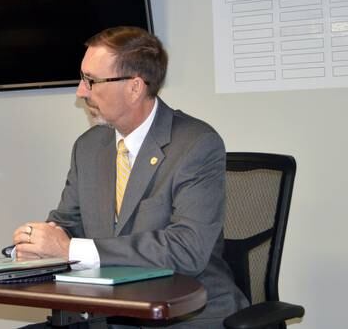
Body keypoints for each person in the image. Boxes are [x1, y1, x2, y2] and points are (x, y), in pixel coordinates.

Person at [12, 26, 247, 328]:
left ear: (135, 87)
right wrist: (37, 243)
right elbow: (68, 223)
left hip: (182, 315)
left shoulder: (196, 144)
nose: (80, 91)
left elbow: (187, 250)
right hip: (105, 312)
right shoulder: (88, 147)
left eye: (91, 81)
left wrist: (70, 250)